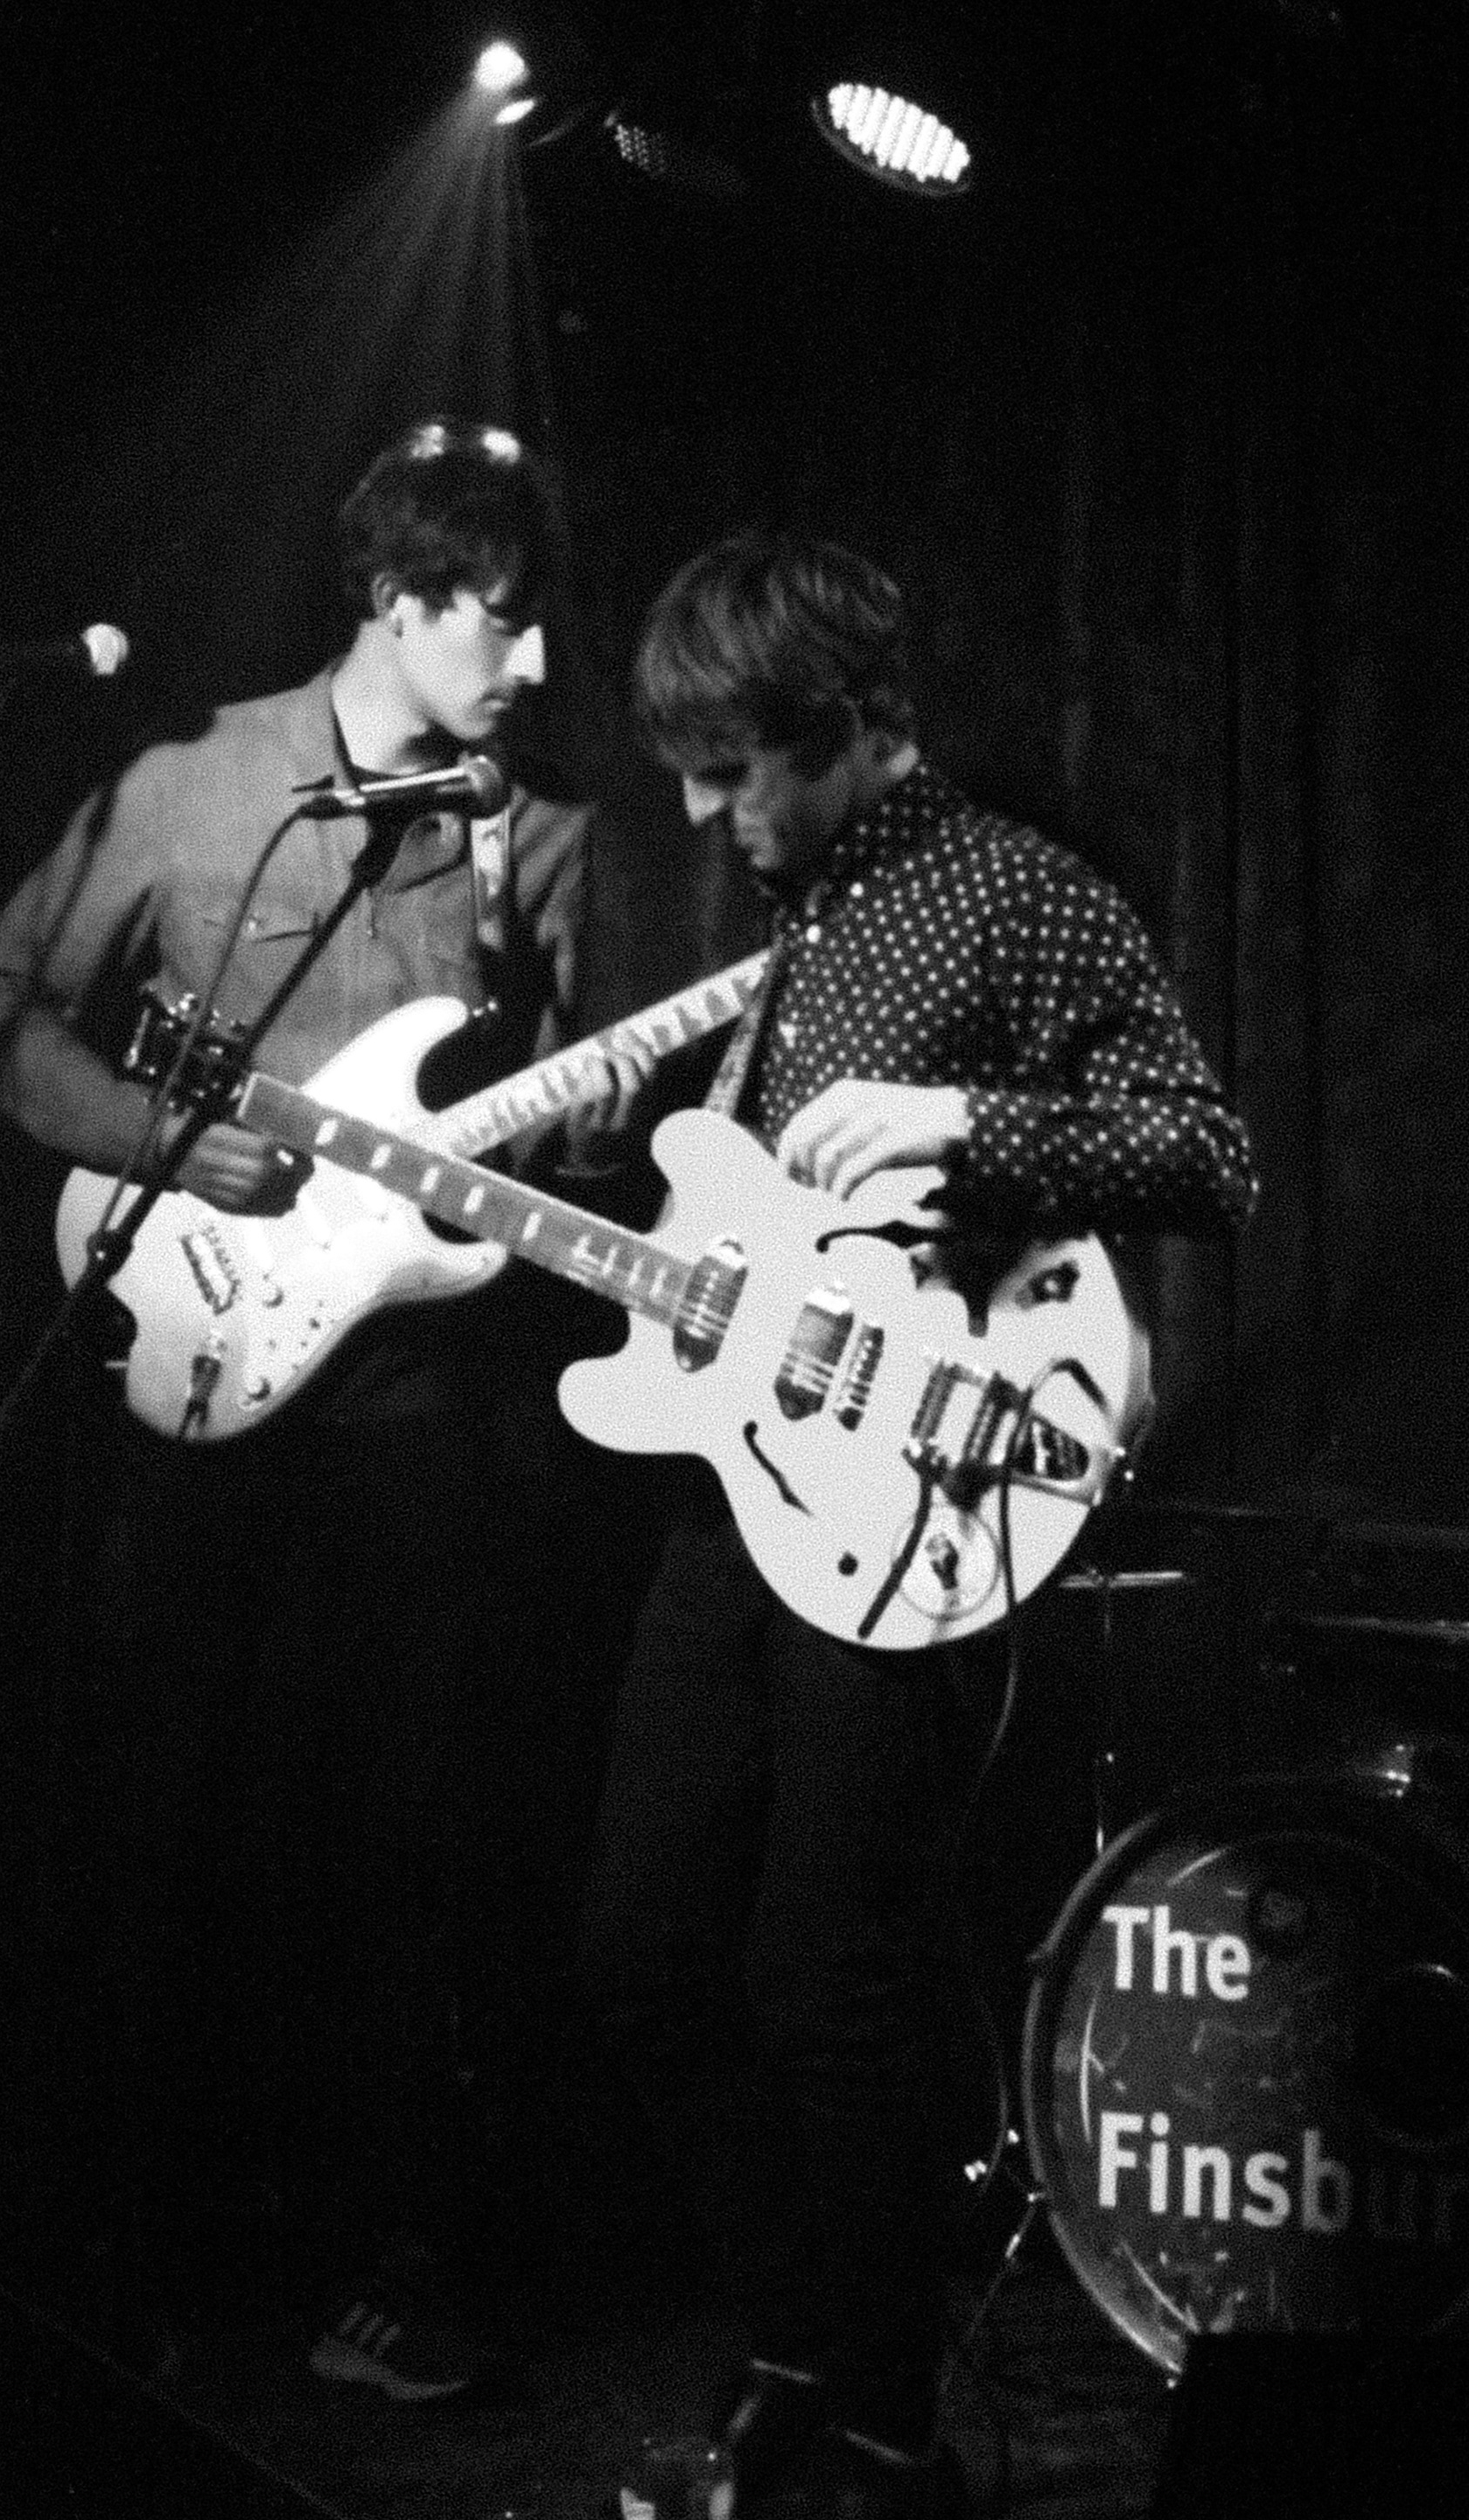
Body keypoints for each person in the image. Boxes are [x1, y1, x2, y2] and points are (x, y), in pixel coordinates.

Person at [0, 417, 647, 2393]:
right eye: (498, 620)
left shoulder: (547, 832)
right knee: (167, 1800)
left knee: (406, 1836)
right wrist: (158, 1136)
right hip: (189, 1363)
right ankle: (151, 2248)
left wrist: (587, 1104)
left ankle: (399, 2254)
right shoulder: (197, 784)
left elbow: (588, 1128)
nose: (531, 664)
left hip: (420, 1402)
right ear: (399, 603)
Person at [577, 529, 1259, 2517]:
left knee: (827, 1980)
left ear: (849, 726)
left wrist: (969, 1121)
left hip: (914, 1497)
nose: (703, 814)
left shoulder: (1016, 894)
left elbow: (1210, 1153)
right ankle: (801, 2339)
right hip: (744, 1488)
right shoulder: (791, 931)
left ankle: (883, 2423)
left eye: (733, 770)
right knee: (638, 1955)